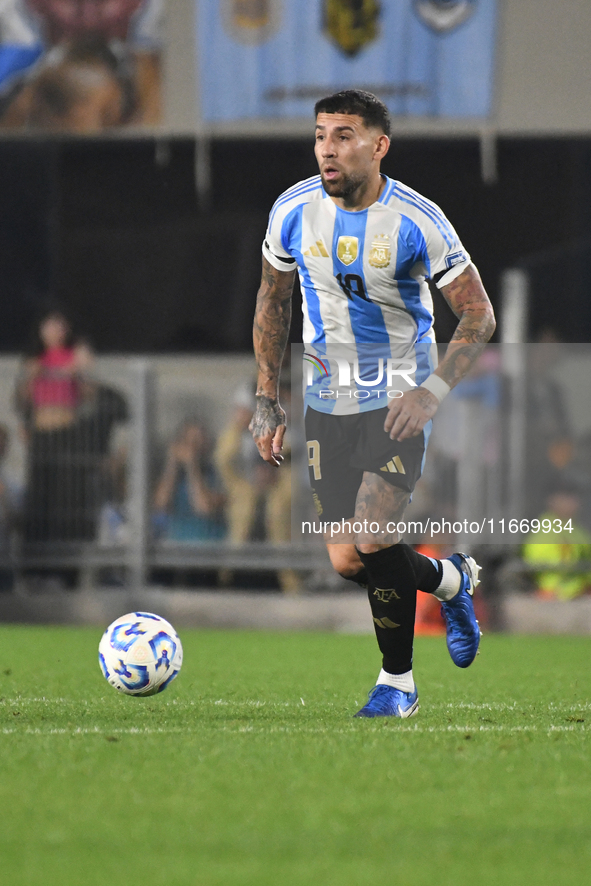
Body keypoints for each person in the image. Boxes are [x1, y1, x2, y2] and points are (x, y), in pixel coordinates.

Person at [250, 90, 496, 718]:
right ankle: (450, 580)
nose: (327, 149)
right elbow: (273, 301)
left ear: (378, 145)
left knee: (371, 533)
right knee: (346, 558)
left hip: (396, 401)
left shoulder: (417, 220)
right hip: (326, 400)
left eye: (343, 135)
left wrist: (431, 391)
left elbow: (477, 313)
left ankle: (397, 685)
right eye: (320, 135)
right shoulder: (292, 211)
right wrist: (266, 397)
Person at [15, 308, 95, 543]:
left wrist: (79, 370)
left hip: (67, 430)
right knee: (41, 492)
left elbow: (89, 391)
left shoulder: (75, 353)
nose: (55, 329)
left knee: (68, 493)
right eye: (50, 324)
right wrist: (31, 377)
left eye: (60, 324)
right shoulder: (34, 359)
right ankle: (37, 554)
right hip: (42, 431)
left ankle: (67, 555)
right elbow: (22, 399)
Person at [153, 418, 226, 543]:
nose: (194, 447)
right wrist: (172, 464)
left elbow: (204, 508)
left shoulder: (217, 473)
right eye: (189, 442)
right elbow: (161, 504)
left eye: (198, 441)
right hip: (178, 547)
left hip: (209, 547)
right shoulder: (176, 477)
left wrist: (192, 467)